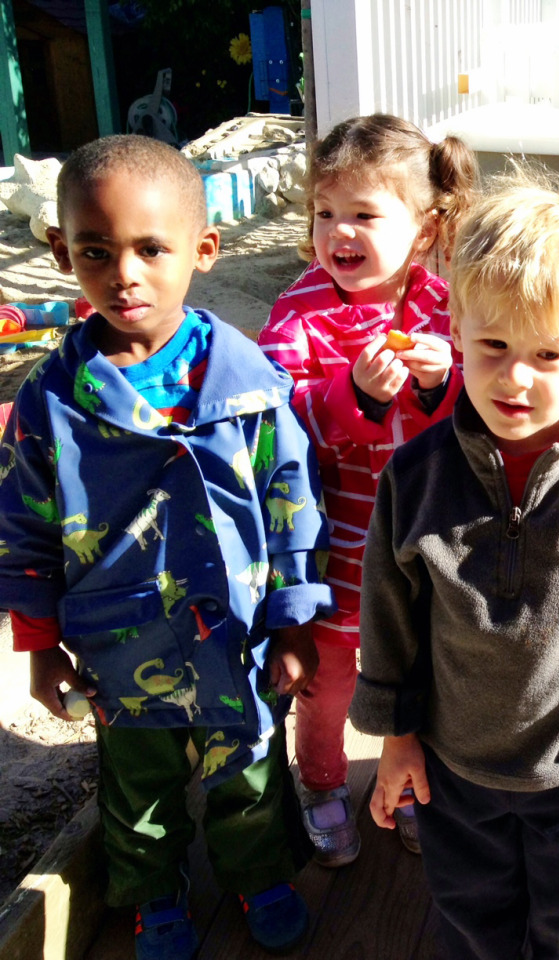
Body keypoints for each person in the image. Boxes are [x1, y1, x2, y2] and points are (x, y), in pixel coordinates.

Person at [0, 135, 335, 960]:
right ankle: (153, 892)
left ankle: (259, 875)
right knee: (136, 786)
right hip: (119, 643)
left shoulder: (250, 385)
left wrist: (295, 622)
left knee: (249, 770)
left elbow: (292, 505)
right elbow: (25, 528)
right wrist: (39, 646)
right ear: (62, 253)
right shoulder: (51, 402)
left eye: (151, 249)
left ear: (203, 250)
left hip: (236, 638)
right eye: (95, 251)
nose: (125, 274)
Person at [349, 171, 559, 960]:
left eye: (548, 354)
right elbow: (389, 615)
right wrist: (396, 739)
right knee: (474, 922)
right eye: (494, 346)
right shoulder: (416, 477)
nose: (515, 377)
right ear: (456, 329)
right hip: (454, 770)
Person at [257, 114, 476, 864]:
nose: (338, 233)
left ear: (424, 229)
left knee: (420, 671)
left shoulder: (445, 307)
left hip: (425, 542)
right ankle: (321, 782)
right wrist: (353, 397)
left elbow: (478, 415)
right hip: (337, 545)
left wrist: (443, 383)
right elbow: (274, 419)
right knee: (328, 683)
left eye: (363, 215)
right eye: (325, 213)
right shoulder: (300, 310)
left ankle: (407, 782)